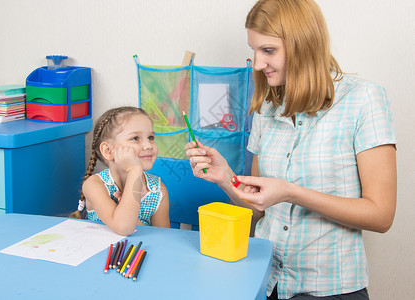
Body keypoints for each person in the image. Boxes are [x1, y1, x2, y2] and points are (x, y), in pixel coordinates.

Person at [185, 0, 396, 299]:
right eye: (254, 50)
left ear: (304, 45)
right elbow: (257, 208)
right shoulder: (267, 109)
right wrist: (226, 178)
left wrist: (292, 192)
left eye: (268, 50)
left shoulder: (364, 100)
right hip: (265, 282)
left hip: (331, 289)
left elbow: (381, 215)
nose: (258, 63)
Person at [70, 106, 170, 236]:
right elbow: (123, 227)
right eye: (135, 138)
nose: (148, 145)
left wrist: (128, 207)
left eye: (150, 137)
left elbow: (164, 239)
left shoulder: (157, 190)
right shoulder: (94, 185)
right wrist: (134, 170)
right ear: (108, 151)